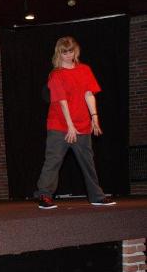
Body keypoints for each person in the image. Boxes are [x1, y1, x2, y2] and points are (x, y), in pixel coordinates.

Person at [36, 36, 116, 209]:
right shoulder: (56, 74)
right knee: (53, 161)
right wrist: (70, 126)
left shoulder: (85, 70)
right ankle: (45, 196)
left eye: (70, 51)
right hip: (59, 126)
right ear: (59, 53)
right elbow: (62, 101)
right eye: (64, 52)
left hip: (82, 125)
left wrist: (94, 118)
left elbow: (89, 94)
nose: (68, 55)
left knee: (88, 162)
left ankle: (97, 197)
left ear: (76, 51)